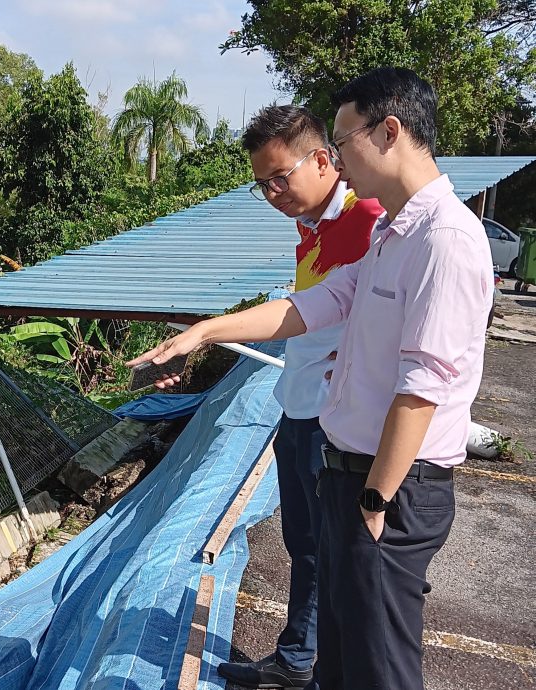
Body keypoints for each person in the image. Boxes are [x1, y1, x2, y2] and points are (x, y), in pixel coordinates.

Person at [129, 67, 493, 690]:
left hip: (391, 486)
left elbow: (424, 384)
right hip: (348, 466)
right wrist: (202, 333)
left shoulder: (446, 240)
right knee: (345, 661)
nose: (341, 159)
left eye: (344, 140)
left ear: (389, 132)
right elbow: (314, 305)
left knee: (380, 668)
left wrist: (375, 502)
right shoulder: (392, 233)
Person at [212, 105, 382, 690]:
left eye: (280, 177)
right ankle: (300, 658)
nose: (273, 192)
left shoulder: (370, 223)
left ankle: (314, 664)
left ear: (323, 159)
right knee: (305, 543)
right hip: (298, 405)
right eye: (263, 184)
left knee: (335, 552)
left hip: (335, 421)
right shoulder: (313, 228)